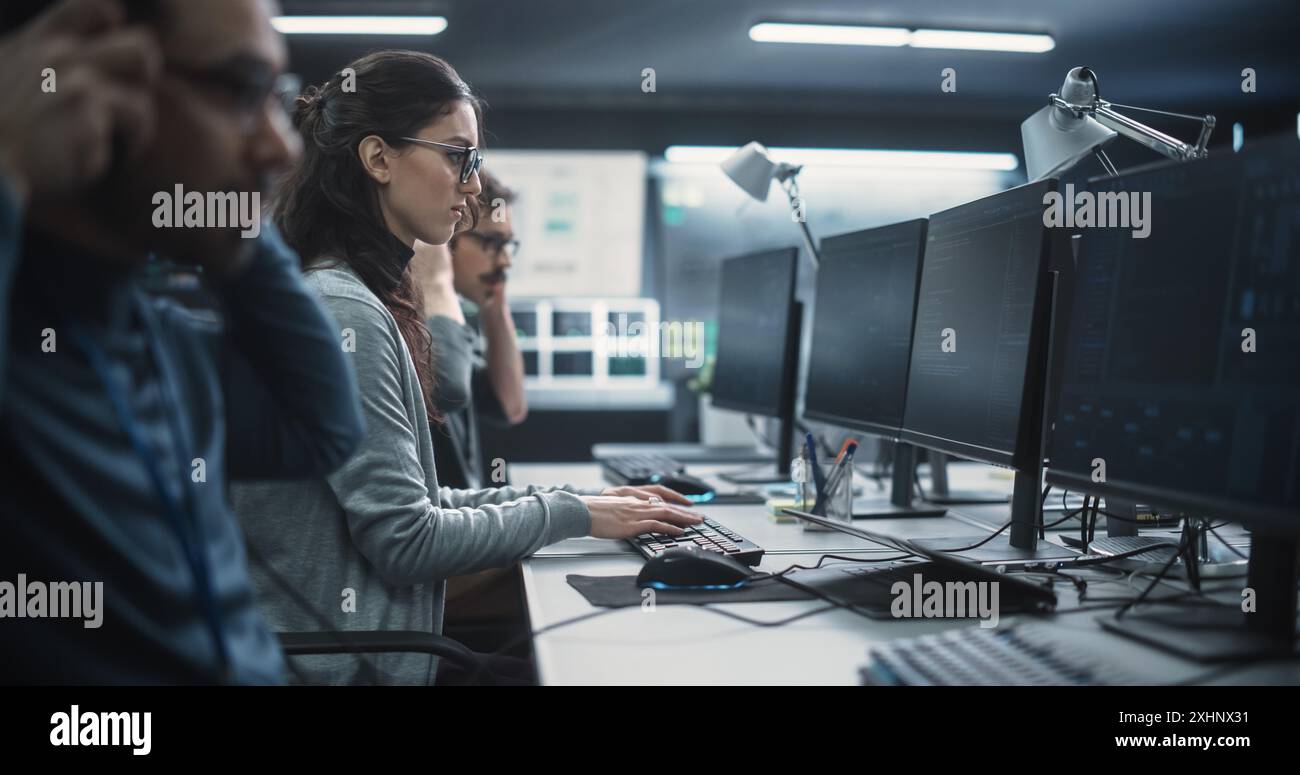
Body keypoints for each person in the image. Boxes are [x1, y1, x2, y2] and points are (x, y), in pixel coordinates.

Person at [231, 49, 699, 685]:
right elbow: (407, 541)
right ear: (377, 159)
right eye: (459, 156)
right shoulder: (346, 311)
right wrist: (576, 514)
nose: (473, 185)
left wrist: (582, 504)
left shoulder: (348, 295)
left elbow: (416, 503)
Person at [0, 0, 364, 684]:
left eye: (277, 99)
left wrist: (230, 213)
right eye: (242, 90)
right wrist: (8, 153)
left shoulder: (155, 339)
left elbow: (324, 426)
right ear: (76, 74)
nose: (282, 147)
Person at [410, 169, 525, 491]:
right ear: (442, 241)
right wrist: (435, 279)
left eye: (509, 245)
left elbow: (508, 406)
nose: (505, 261)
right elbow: (446, 389)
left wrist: (496, 303)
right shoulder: (411, 315)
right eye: (492, 242)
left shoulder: (453, 315)